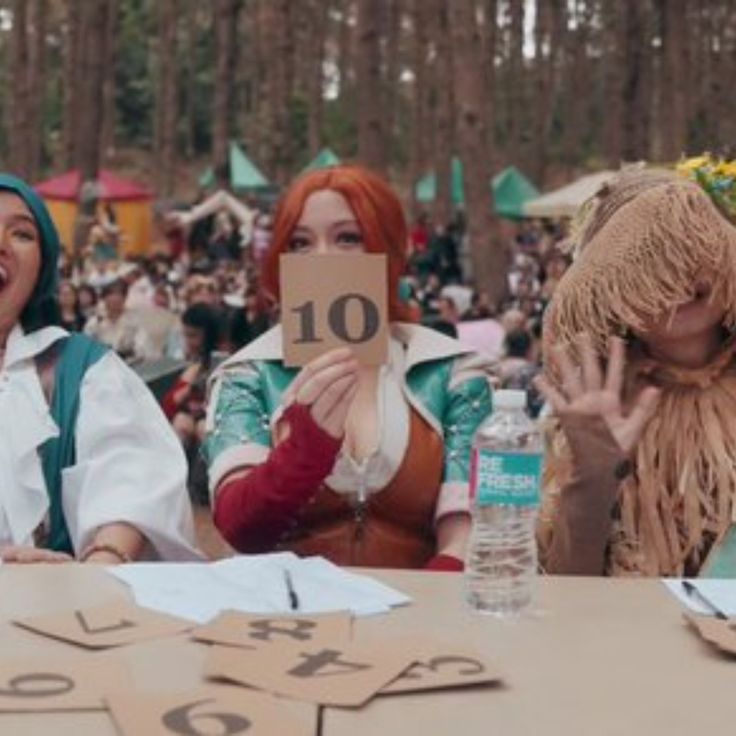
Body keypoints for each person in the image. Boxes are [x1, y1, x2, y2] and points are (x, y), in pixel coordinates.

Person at [204, 165, 495, 570]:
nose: (323, 257)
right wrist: (303, 449)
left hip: (423, 619)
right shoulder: (249, 374)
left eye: (348, 238)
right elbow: (240, 527)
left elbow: (471, 531)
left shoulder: (451, 371)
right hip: (286, 618)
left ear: (391, 251)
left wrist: (425, 610)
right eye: (301, 243)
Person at [535, 166, 736, 577]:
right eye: (643, 264)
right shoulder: (591, 409)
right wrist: (591, 477)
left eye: (688, 248)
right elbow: (567, 598)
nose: (674, 277)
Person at [0, 173, 199, 563]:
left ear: (42, 267)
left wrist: (99, 564)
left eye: (21, 234)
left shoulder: (81, 369)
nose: (1, 246)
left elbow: (132, 471)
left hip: (48, 611)